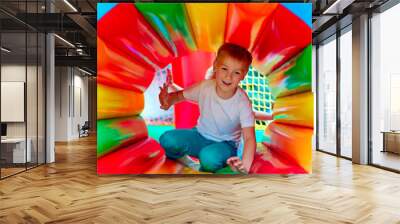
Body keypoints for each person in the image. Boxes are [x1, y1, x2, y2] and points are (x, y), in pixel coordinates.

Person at [158, 43, 256, 174]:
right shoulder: (205, 87)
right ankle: (184, 160)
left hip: (225, 144)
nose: (228, 76)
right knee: (167, 139)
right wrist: (166, 101)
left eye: (236, 72)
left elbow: (249, 138)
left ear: (243, 75)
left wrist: (245, 168)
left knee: (209, 158)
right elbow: (178, 96)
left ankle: (203, 170)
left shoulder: (242, 102)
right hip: (199, 135)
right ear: (215, 65)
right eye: (224, 69)